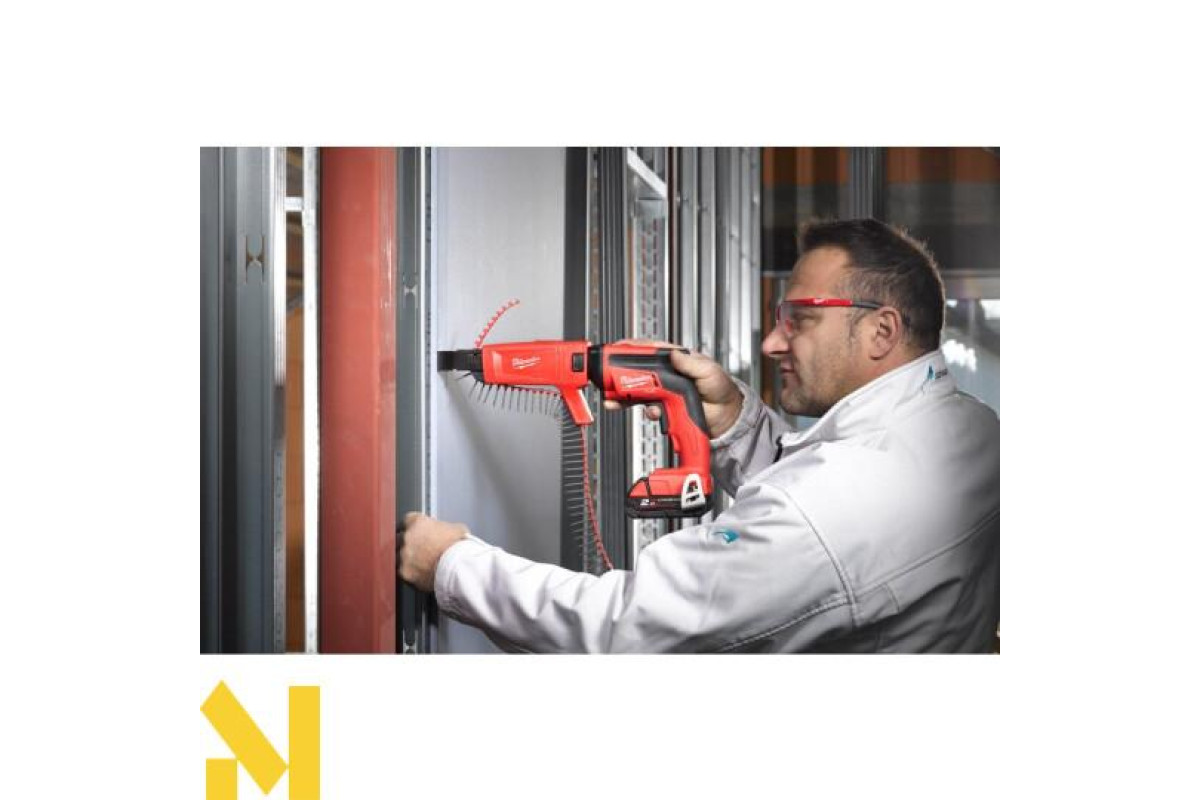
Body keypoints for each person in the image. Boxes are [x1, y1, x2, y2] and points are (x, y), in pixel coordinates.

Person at [398, 218, 999, 653]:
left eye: (801, 319)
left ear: (881, 332)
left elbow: (624, 627)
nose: (772, 343)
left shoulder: (828, 512)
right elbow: (830, 536)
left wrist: (450, 566)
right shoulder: (971, 430)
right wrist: (736, 419)